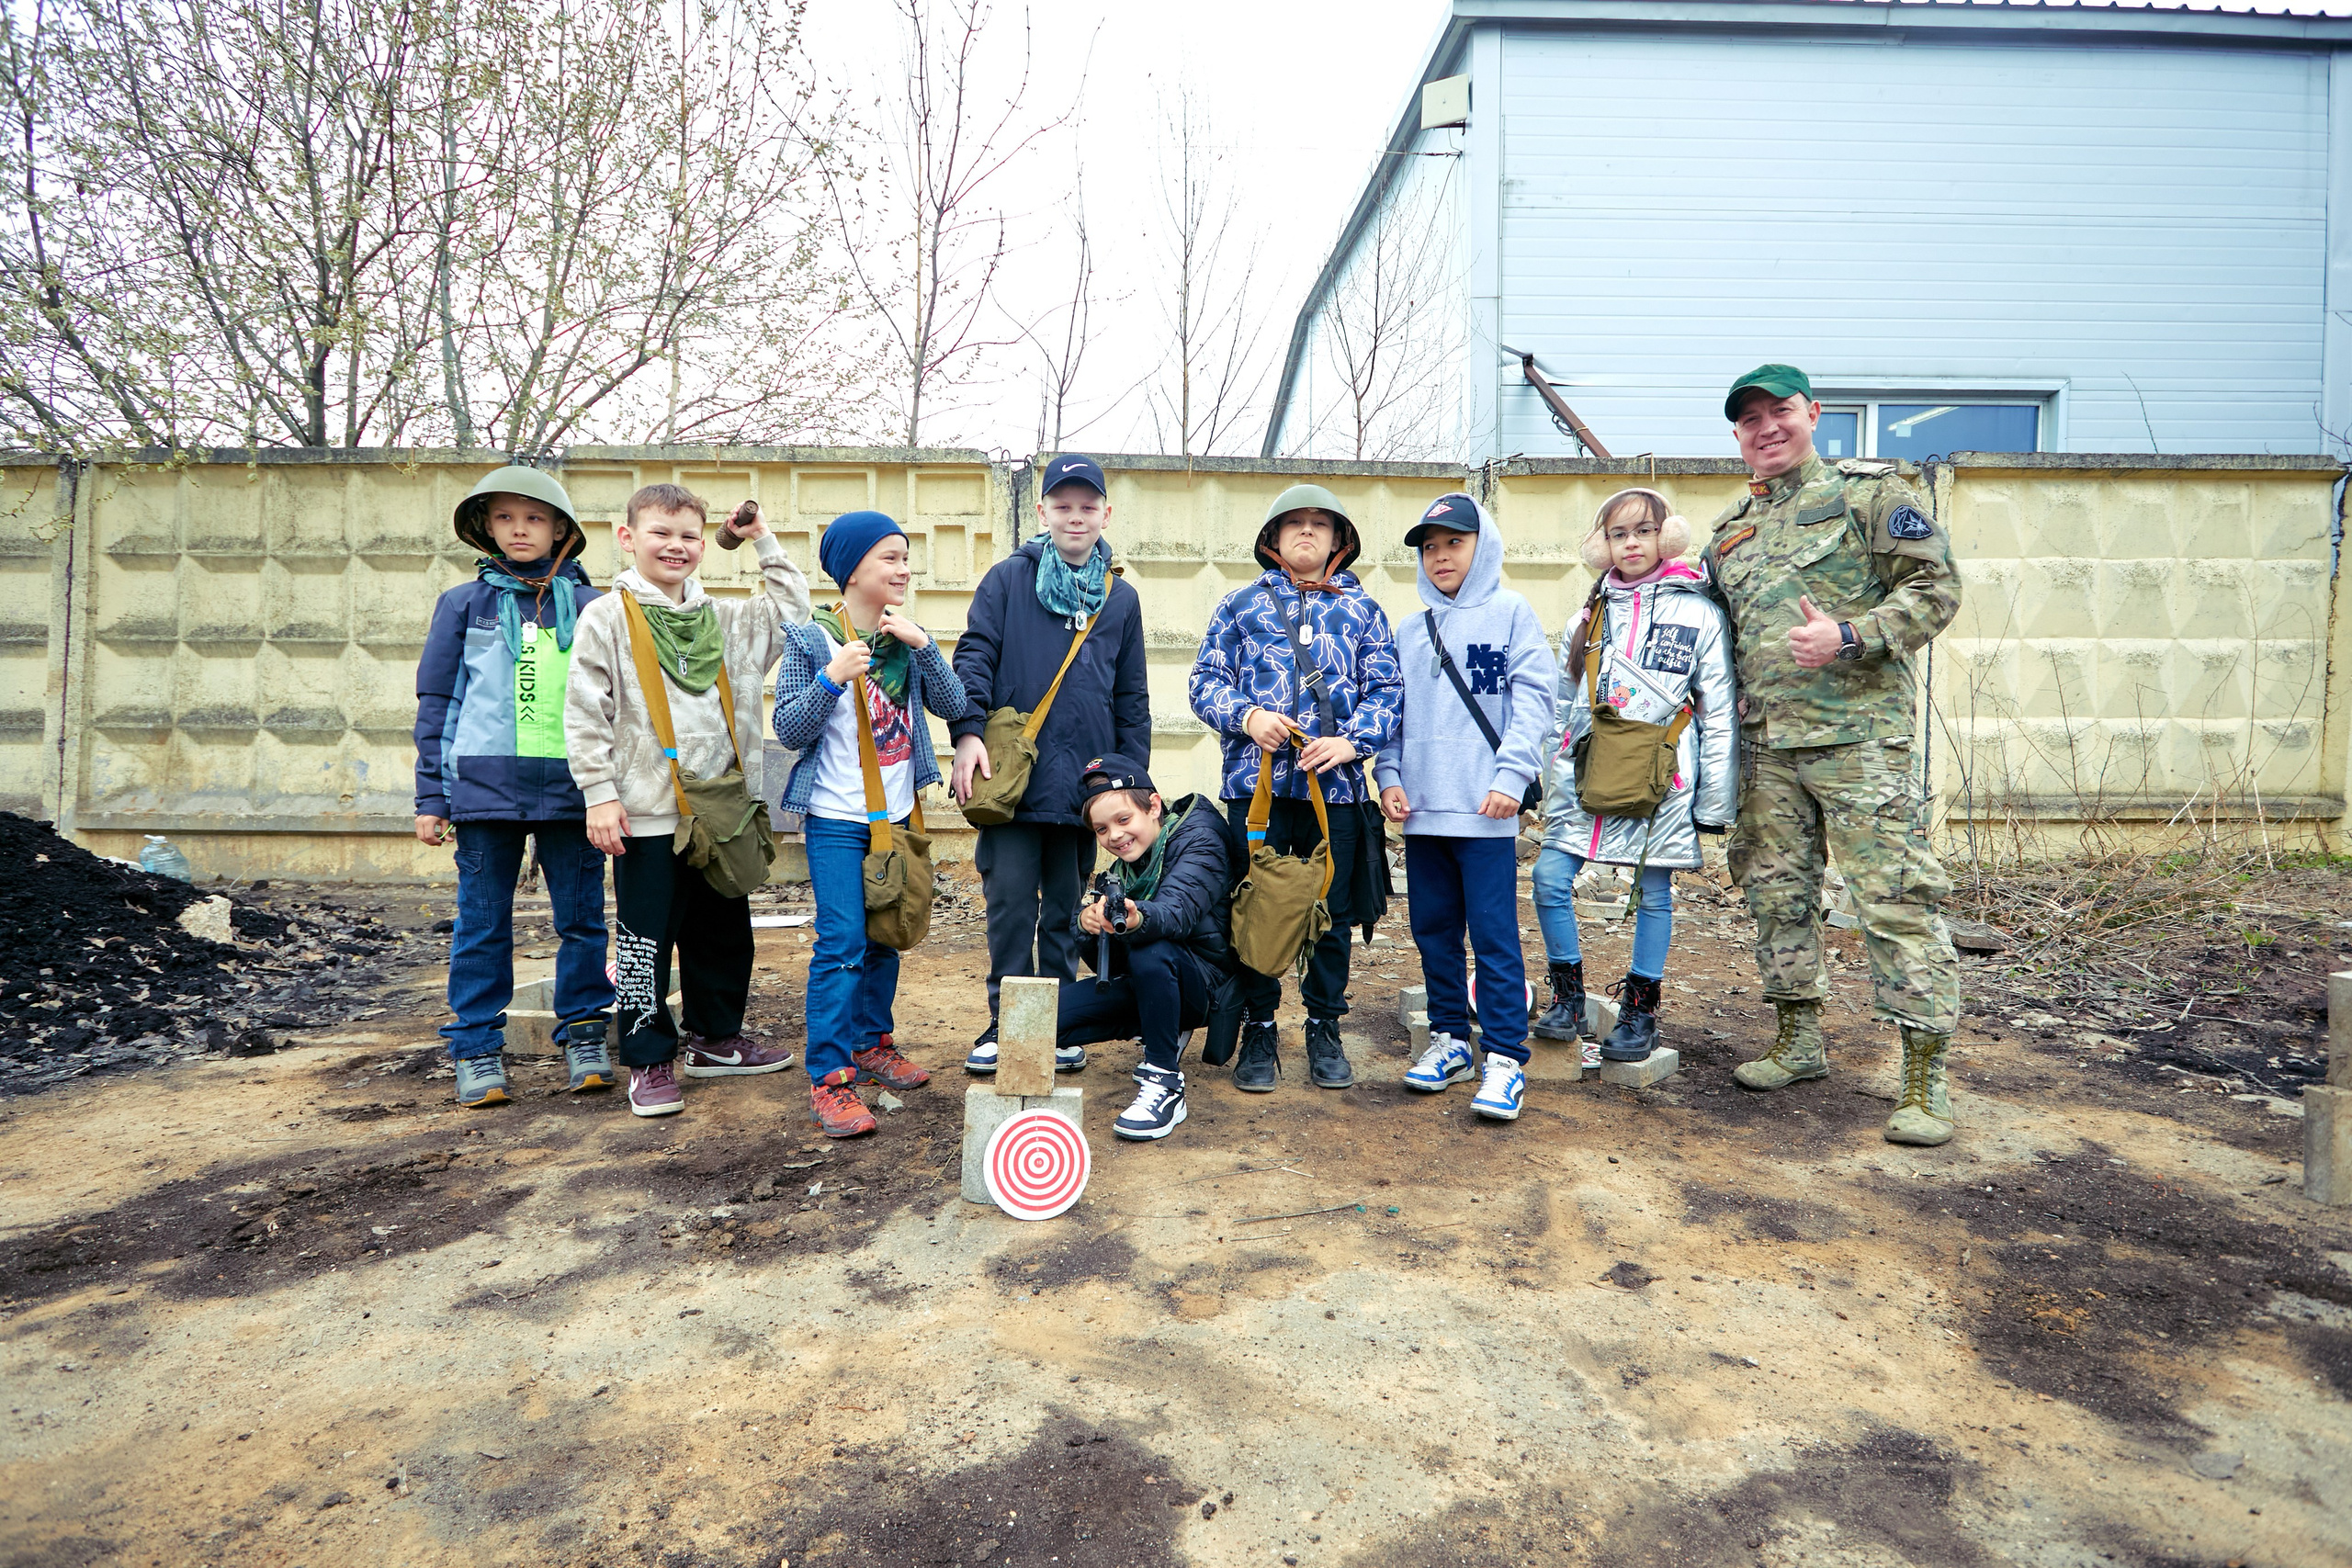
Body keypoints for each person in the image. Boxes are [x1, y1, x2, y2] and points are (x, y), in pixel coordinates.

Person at [1702, 364, 1965, 1146]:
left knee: (1892, 898)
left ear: (1812, 413)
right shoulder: (1729, 533)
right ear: (1739, 435)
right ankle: (1799, 1040)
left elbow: (1936, 589)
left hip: (1859, 743)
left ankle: (1923, 1078)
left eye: (1779, 411)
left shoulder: (1870, 497)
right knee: (1777, 895)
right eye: (1749, 420)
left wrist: (1850, 635)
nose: (1766, 428)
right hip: (1766, 748)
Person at [564, 483, 812, 1117]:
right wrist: (598, 794)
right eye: (660, 533)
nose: (675, 547)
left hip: (720, 809)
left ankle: (716, 1039)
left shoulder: (723, 620)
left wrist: (760, 539)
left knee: (724, 933)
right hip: (647, 811)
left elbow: (794, 617)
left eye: (688, 537)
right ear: (627, 538)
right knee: (646, 938)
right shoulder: (608, 617)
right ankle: (648, 1059)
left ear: (704, 544)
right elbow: (586, 713)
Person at [1188, 485, 1401, 1092]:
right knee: (1257, 910)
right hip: (1254, 791)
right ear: (1273, 538)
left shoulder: (1365, 613)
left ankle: (1324, 1026)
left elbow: (1389, 692)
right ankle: (1260, 1026)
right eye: (1294, 523)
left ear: (1339, 540)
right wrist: (1248, 717)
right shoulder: (1239, 607)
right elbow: (1204, 681)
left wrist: (1352, 743)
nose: (1306, 531)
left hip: (1336, 796)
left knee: (1329, 915)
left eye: (1319, 523)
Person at [413, 466, 615, 1108]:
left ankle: (584, 1035)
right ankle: (476, 1048)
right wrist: (430, 797)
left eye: (533, 518)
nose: (519, 529)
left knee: (582, 922)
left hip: (573, 792)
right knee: (481, 923)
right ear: (486, 528)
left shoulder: (594, 607)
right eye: (505, 517)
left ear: (561, 529)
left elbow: (618, 704)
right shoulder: (461, 605)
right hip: (482, 795)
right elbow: (438, 701)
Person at [773, 512, 976, 1138]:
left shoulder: (905, 642)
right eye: (890, 557)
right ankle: (830, 1079)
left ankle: (871, 1044)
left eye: (905, 557)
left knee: (886, 933)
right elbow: (788, 727)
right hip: (836, 821)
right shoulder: (811, 641)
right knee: (841, 946)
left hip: (897, 819)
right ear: (853, 568)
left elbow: (955, 704)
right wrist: (833, 680)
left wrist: (926, 646)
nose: (904, 568)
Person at [947, 454, 1150, 1074]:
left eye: (1088, 506)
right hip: (1012, 779)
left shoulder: (1120, 599)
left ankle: (1056, 1023)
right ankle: (1006, 1023)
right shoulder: (1007, 580)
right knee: (1010, 903)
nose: (1075, 516)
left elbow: (1131, 695)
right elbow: (974, 655)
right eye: (1062, 505)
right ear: (1042, 512)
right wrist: (966, 732)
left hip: (1085, 780)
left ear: (1105, 514)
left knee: (1066, 908)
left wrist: (1131, 785)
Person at [1528, 489, 1737, 1069]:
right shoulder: (1586, 616)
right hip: (1587, 771)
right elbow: (1560, 706)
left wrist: (1715, 804)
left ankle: (1640, 1009)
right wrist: (1549, 775)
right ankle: (1568, 998)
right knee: (1548, 877)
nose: (1631, 544)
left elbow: (1718, 708)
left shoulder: (1700, 612)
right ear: (1603, 545)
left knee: (1653, 893)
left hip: (1663, 777)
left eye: (1643, 531)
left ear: (1666, 536)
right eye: (1618, 534)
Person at [1375, 492, 1556, 1121]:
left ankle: (1504, 1057)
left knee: (1494, 935)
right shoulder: (1408, 627)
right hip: (1423, 809)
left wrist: (1513, 774)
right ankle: (1450, 1039)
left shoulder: (1511, 613)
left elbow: (1535, 699)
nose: (1441, 556)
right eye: (1430, 547)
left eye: (1454, 542)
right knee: (1432, 932)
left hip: (1487, 810)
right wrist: (1389, 773)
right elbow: (1391, 714)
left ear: (1484, 546)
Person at [1054, 755, 1244, 1142]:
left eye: (1124, 820)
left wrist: (1136, 918)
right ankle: (1161, 1025)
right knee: (1046, 1023)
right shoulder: (1124, 869)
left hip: (1207, 985)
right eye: (1101, 829)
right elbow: (1105, 963)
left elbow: (1177, 913)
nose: (1115, 837)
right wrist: (1088, 925)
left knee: (1151, 948)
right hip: (1151, 982)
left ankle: (1165, 1083)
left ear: (1153, 806)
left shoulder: (1199, 839)